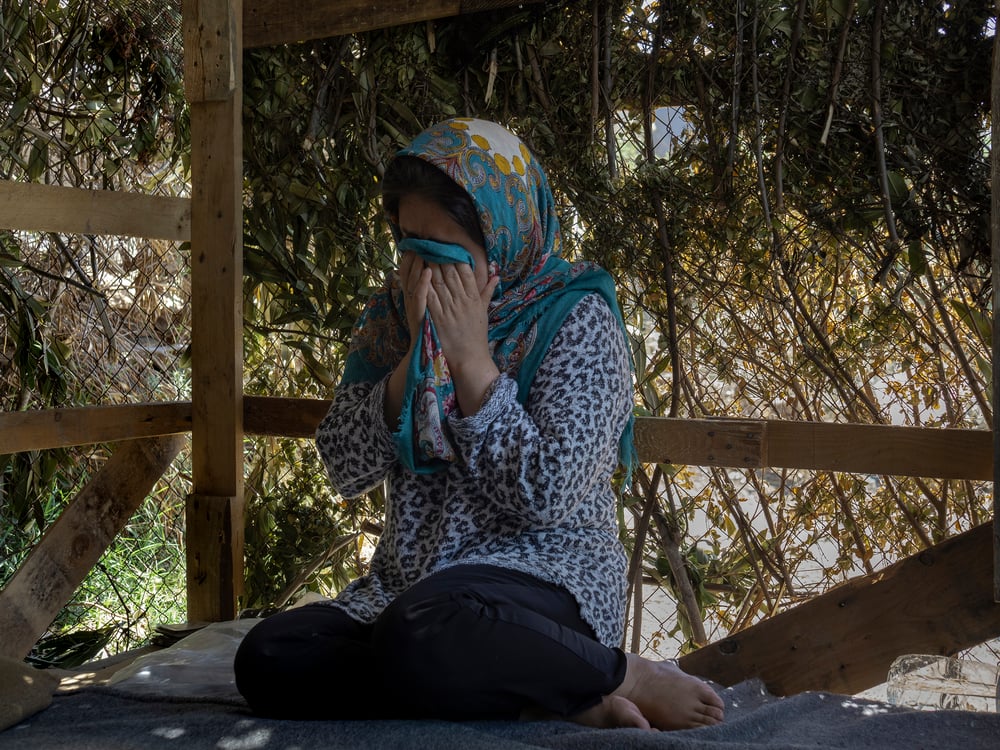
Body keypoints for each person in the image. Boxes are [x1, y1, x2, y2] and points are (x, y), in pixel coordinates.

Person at [234, 118, 725, 730]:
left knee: (423, 632)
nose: (425, 275)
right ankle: (541, 694)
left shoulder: (576, 316)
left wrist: (470, 361)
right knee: (270, 658)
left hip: (543, 580)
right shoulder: (393, 313)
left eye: (445, 254)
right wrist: (415, 360)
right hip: (409, 588)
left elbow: (546, 494)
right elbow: (343, 465)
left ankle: (620, 672)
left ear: (504, 236)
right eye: (410, 246)